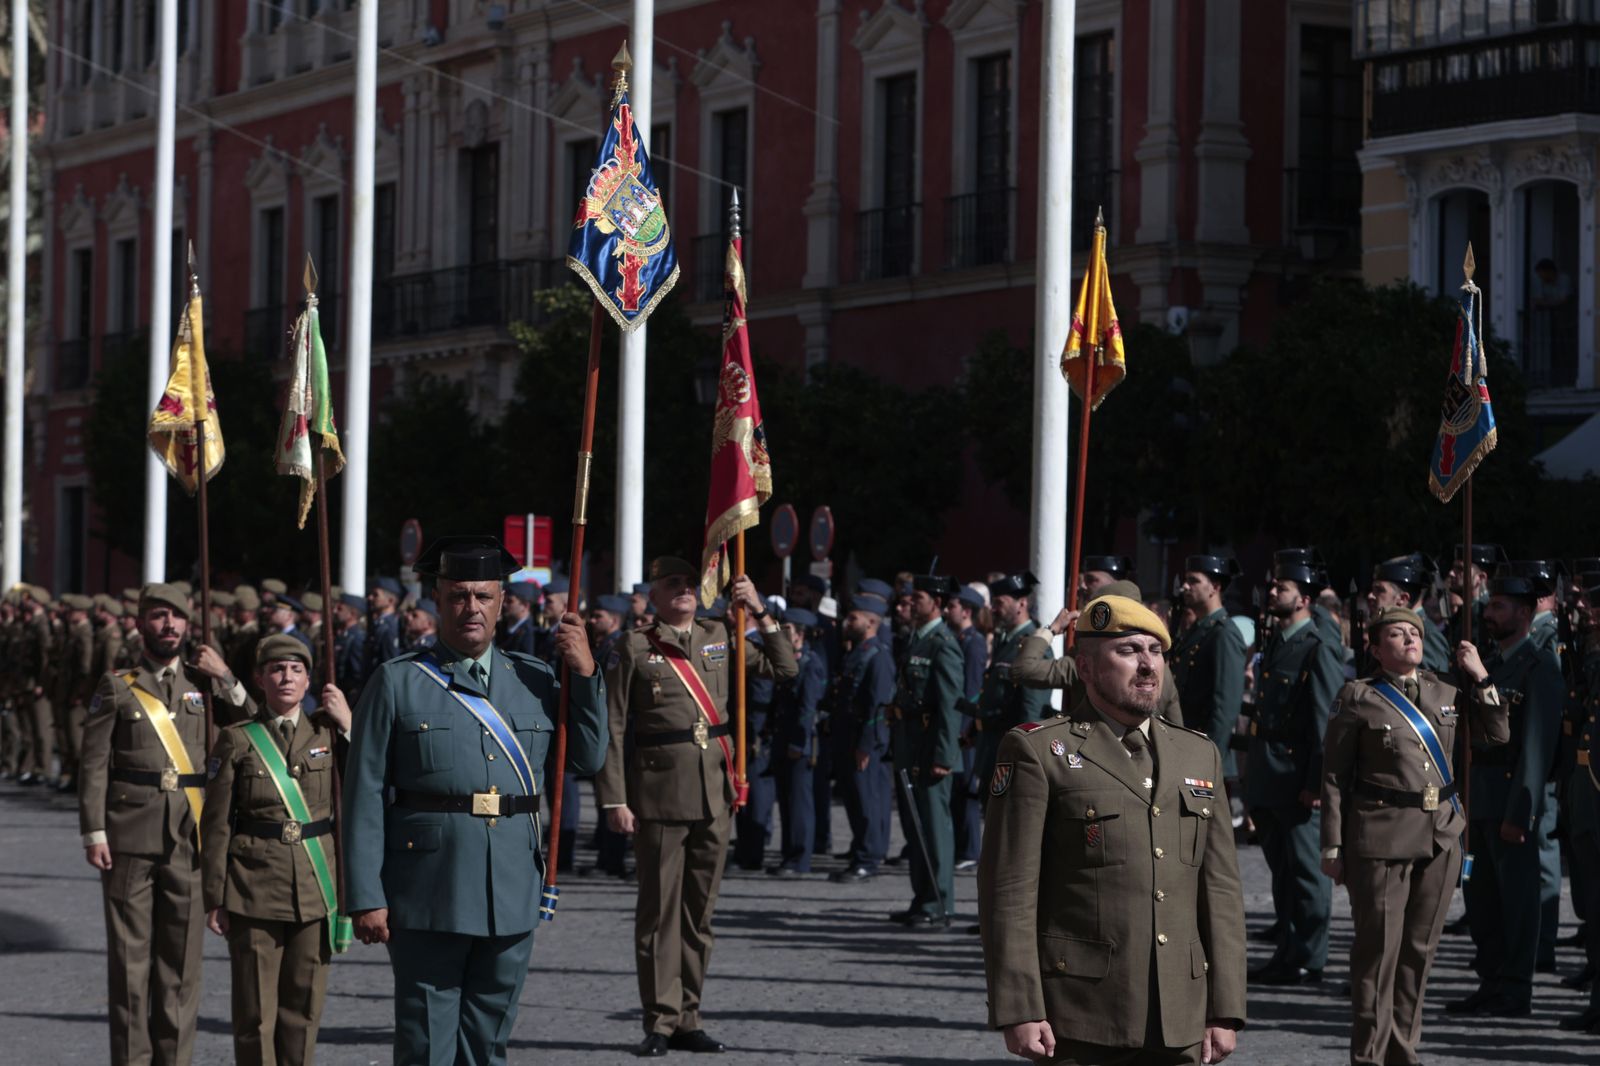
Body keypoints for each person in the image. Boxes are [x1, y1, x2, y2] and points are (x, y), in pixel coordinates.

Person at [342, 536, 607, 1066]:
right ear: (437, 600)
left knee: (489, 1042)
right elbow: (364, 793)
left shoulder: (534, 678)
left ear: (501, 600)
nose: (472, 608)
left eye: (484, 596)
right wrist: (366, 895)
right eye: (459, 595)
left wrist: (583, 674)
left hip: (510, 884)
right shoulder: (398, 682)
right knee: (426, 1043)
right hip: (427, 888)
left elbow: (587, 758)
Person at [977, 593, 1247, 1065]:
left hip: (1179, 1015)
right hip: (1080, 1017)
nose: (1147, 666)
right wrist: (1019, 1006)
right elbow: (1010, 889)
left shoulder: (1197, 755)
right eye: (1128, 652)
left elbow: (1220, 888)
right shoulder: (1040, 752)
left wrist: (1225, 1007)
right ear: (1084, 668)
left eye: (1155, 651)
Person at [594, 556, 797, 1057]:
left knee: (699, 917)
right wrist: (614, 799)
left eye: (689, 583)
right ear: (654, 598)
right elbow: (613, 728)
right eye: (672, 585)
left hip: (714, 793)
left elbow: (784, 668)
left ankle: (690, 1016)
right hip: (659, 796)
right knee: (660, 915)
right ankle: (660, 1020)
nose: (683, 590)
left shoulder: (722, 635)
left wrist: (762, 613)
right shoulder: (635, 647)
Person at [1321, 606, 1509, 1066]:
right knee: (1377, 954)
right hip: (1380, 837)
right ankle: (1368, 1056)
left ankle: (1403, 1053)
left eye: (1414, 633)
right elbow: (1333, 775)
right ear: (1375, 648)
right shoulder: (1357, 696)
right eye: (1396, 634)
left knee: (1418, 954)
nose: (1408, 639)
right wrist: (1332, 844)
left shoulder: (1447, 689)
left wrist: (1480, 676)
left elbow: (1498, 734)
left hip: (1440, 836)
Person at [78, 583, 251, 1065]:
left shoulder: (207, 686)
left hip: (191, 838)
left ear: (188, 624)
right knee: (130, 966)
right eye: (158, 616)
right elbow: (93, 763)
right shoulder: (118, 684)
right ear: (140, 623)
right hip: (129, 835)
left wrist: (227, 677)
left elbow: (257, 726)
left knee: (180, 969)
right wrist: (93, 830)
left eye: (177, 617)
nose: (169, 625)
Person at [202, 634, 354, 1066]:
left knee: (303, 1012)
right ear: (259, 679)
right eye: (276, 669)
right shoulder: (237, 739)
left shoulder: (328, 731)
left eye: (296, 669)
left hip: (315, 888)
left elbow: (369, 783)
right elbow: (214, 826)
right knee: (255, 1016)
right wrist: (216, 896)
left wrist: (348, 724)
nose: (286, 677)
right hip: (253, 890)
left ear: (309, 681)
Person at [1448, 570, 1565, 1017]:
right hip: (1477, 798)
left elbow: (1536, 747)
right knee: (1481, 897)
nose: (1489, 613)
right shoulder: (1491, 664)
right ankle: (1491, 979)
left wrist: (1522, 812)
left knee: (1517, 902)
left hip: (1509, 799)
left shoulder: (1539, 666)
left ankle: (1516, 987)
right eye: (1490, 604)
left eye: (1499, 606)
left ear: (1525, 611)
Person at [1244, 550, 1343, 985]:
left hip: (1297, 774)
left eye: (1281, 588)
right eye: (1273, 586)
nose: (1272, 592)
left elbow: (1325, 722)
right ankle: (1288, 949)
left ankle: (1309, 956)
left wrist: (1316, 781)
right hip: (1269, 773)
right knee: (1283, 871)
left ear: (1303, 598)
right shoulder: (1277, 641)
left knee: (1306, 874)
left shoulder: (1316, 648)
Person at [888, 574, 965, 928]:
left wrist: (944, 757)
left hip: (930, 749)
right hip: (910, 746)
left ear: (937, 602)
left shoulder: (943, 644)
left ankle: (940, 902)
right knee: (915, 829)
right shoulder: (917, 639)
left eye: (917, 597)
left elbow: (950, 706)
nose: (911, 602)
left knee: (935, 830)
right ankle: (922, 897)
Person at [1012, 578, 1184, 723]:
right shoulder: (1160, 669)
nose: (1147, 664)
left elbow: (1024, 669)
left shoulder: (1091, 661)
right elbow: (1176, 733)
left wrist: (1052, 629)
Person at [828, 592, 898, 883]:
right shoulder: (857, 650)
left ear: (871, 621)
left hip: (863, 739)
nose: (848, 621)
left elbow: (878, 706)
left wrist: (866, 745)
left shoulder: (877, 656)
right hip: (848, 735)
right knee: (855, 800)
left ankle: (867, 859)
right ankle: (861, 851)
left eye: (854, 617)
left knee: (866, 800)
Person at [972, 572, 1052, 802]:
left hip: (1012, 752)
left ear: (1022, 604)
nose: (994, 609)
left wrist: (1022, 754)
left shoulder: (1033, 644)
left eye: (1000, 603)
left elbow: (1032, 708)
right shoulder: (1006, 640)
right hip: (993, 747)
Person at [1170, 556, 1247, 778]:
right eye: (1186, 580)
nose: (1185, 586)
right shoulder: (1197, 630)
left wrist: (1210, 760)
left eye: (1193, 581)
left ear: (1214, 587)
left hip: (1204, 754)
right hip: (1186, 746)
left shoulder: (1223, 633)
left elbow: (1225, 707)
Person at [770, 607, 826, 875]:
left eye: (787, 630)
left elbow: (807, 707)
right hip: (783, 737)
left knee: (800, 802)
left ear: (800, 635)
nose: (783, 634)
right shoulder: (788, 660)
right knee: (787, 799)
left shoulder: (810, 663)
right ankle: (788, 854)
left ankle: (800, 857)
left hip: (799, 743)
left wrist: (797, 742)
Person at [944, 583, 988, 871]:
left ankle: (971, 849)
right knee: (958, 790)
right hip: (957, 721)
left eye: (953, 606)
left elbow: (973, 688)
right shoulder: (959, 638)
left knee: (966, 788)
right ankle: (962, 846)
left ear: (967, 611)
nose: (949, 610)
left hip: (965, 725)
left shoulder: (973, 642)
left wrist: (965, 725)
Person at [1365, 555, 1451, 674]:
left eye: (1379, 590)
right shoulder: (1383, 630)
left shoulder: (1428, 635)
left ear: (1403, 598)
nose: (1370, 596)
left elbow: (1432, 687)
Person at [363, 576, 404, 680]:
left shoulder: (390, 627)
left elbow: (390, 663)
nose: (370, 598)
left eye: (375, 595)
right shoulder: (379, 624)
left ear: (390, 600)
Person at [331, 592, 368, 698]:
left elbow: (357, 673)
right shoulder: (341, 635)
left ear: (352, 614)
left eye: (340, 609)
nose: (334, 611)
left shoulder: (357, 638)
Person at [498, 581, 540, 656]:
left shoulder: (531, 633)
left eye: (510, 601)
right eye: (504, 601)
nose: (504, 604)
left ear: (525, 605)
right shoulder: (502, 627)